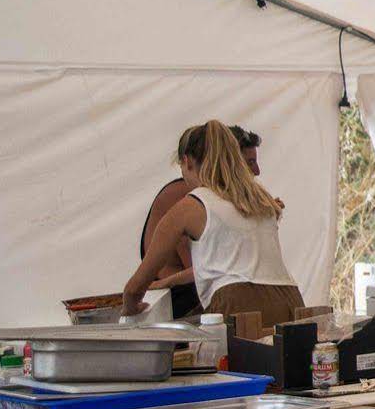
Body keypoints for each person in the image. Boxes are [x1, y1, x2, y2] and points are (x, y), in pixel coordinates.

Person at [123, 122, 302, 325]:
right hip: (290, 300)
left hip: (238, 304)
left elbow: (134, 288)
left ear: (187, 161)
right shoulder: (259, 199)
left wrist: (131, 307)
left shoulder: (192, 205)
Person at [135, 124, 262, 320]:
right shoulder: (189, 199)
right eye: (248, 162)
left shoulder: (222, 199)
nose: (256, 171)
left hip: (207, 297)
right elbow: (205, 268)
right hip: (182, 303)